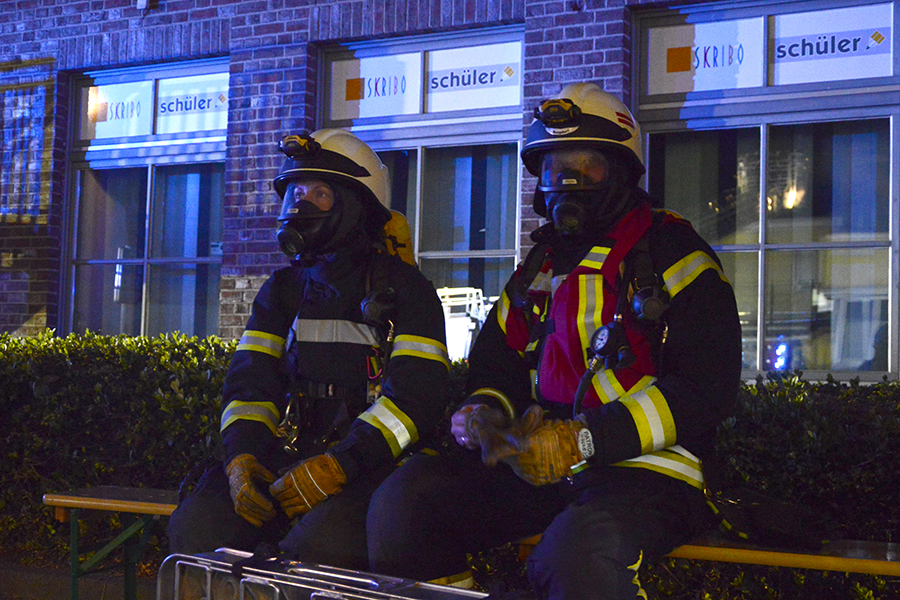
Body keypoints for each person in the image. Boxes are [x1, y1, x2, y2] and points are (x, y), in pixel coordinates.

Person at [366, 83, 742, 599]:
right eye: (553, 166)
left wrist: (583, 438)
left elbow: (707, 388)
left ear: (622, 171)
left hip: (648, 473)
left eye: (586, 165)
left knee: (577, 557)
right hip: (538, 466)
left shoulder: (675, 254)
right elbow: (495, 365)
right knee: (408, 502)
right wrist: (483, 413)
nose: (567, 180)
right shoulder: (538, 268)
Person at [168, 129, 451, 571]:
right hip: (287, 460)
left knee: (322, 547)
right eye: (295, 194)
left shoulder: (406, 291)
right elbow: (249, 386)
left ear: (359, 206)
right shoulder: (283, 290)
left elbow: (416, 398)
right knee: (199, 528)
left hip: (370, 469)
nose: (301, 207)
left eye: (320, 194)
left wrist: (342, 464)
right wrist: (242, 458)